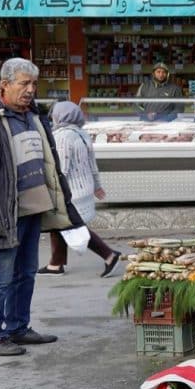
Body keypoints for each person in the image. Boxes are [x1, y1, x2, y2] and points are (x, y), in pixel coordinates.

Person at [0, 58, 84, 357]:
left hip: (33, 209)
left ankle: (18, 327)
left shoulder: (33, 115)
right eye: (24, 83)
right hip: (4, 214)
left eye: (34, 84)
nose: (30, 90)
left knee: (25, 273)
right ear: (4, 84)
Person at [36, 102, 122, 277]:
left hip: (70, 190)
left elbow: (61, 169)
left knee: (73, 226)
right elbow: (92, 163)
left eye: (55, 114)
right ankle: (56, 264)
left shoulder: (62, 136)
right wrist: (97, 185)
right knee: (58, 223)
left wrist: (51, 188)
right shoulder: (81, 133)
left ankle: (109, 255)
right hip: (84, 187)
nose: (53, 117)